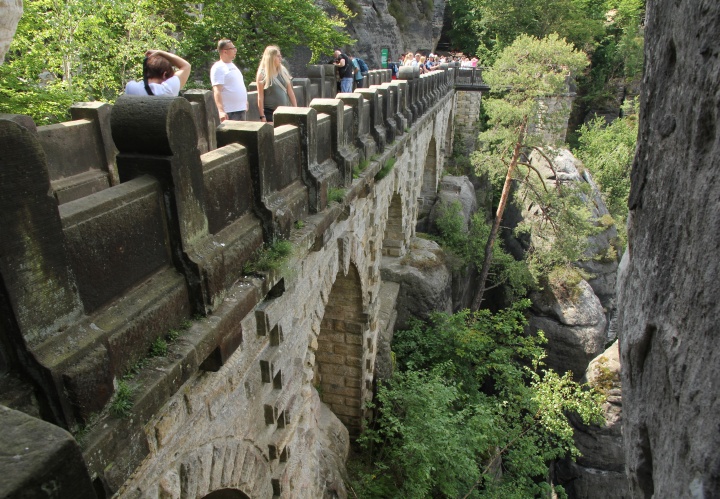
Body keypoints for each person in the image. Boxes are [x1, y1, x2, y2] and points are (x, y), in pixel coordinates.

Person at [256, 45, 297, 123]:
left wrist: (296, 108)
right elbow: (260, 96)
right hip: (270, 112)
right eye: (278, 56)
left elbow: (290, 91)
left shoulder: (283, 71)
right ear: (271, 57)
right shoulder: (262, 74)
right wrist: (262, 116)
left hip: (285, 111)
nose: (280, 59)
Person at [210, 39, 248, 122]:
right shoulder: (218, 67)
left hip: (240, 109)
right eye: (232, 48)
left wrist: (245, 101)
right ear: (225, 52)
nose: (235, 50)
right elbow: (217, 91)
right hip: (229, 111)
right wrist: (221, 111)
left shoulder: (232, 65)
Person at [124, 50, 191, 96]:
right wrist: (161, 52)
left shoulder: (130, 87)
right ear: (164, 74)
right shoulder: (167, 90)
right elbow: (186, 66)